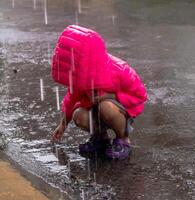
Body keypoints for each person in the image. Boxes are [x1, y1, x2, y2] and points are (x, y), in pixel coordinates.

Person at [50, 25, 147, 160]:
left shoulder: (119, 70)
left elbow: (140, 95)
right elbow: (71, 98)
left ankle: (123, 140)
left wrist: (111, 96)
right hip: (94, 110)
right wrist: (63, 124)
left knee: (106, 106)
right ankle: (101, 138)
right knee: (78, 115)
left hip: (117, 112)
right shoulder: (81, 73)